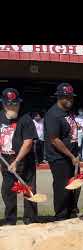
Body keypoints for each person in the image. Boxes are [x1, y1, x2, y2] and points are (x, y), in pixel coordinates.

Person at [0, 88, 38, 225]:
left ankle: (31, 220)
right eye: (10, 104)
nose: (13, 107)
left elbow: (28, 143)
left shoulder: (25, 119)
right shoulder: (0, 117)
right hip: (6, 159)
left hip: (24, 159)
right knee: (8, 191)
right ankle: (10, 221)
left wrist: (17, 161)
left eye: (15, 104)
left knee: (29, 190)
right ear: (4, 104)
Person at [44, 83, 81, 221]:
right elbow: (54, 139)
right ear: (59, 97)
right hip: (59, 158)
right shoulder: (53, 114)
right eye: (66, 97)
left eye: (71, 97)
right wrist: (71, 155)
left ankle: (72, 211)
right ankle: (61, 216)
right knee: (62, 187)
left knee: (75, 185)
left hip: (72, 156)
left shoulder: (67, 112)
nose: (70, 100)